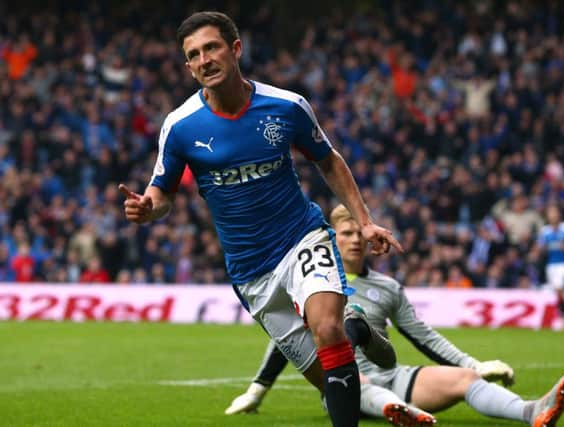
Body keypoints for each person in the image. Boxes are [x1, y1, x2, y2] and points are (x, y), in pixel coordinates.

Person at [118, 11, 402, 427]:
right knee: (332, 382)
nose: (204, 60)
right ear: (188, 66)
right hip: (250, 272)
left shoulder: (286, 106)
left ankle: (341, 332)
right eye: (193, 55)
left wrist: (364, 220)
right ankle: (356, 330)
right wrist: (147, 209)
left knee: (326, 330)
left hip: (301, 239)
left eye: (211, 47)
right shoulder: (179, 126)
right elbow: (162, 193)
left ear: (235, 49)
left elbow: (329, 161)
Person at [226, 204, 564, 427]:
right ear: (330, 239)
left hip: (393, 374)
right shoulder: (313, 284)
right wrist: (258, 390)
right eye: (343, 234)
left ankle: (533, 412)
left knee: (465, 381)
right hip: (344, 383)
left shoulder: (388, 287)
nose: (352, 240)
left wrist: (475, 364)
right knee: (359, 380)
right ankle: (402, 413)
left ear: (366, 239)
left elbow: (424, 336)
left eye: (356, 233)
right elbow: (287, 341)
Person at [536, 204, 564, 329]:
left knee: (559, 287)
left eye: (554, 212)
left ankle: (563, 316)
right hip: (551, 264)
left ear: (559, 214)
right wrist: (542, 248)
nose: (553, 215)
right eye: (550, 213)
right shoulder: (545, 231)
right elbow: (540, 249)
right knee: (557, 291)